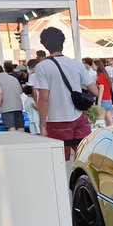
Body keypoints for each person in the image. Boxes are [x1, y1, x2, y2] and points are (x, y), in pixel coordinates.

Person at [31, 26, 94, 159]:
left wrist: (42, 125)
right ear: (63, 42)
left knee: (59, 163)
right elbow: (94, 90)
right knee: (86, 157)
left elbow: (43, 98)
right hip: (79, 118)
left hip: (56, 121)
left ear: (44, 45)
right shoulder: (76, 64)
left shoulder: (42, 67)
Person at [0, 63, 25, 131]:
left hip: (6, 107)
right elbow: (20, 91)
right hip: (18, 106)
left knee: (10, 126)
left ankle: (14, 140)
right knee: (20, 125)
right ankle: (22, 140)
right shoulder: (13, 78)